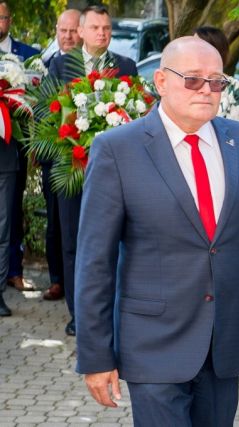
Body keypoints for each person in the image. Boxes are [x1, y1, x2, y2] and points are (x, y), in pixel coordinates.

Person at [74, 36, 239, 427]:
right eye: (192, 79)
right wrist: (96, 356)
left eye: (217, 81)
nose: (207, 90)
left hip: (224, 344)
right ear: (160, 81)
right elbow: (94, 264)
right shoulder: (117, 149)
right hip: (152, 344)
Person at [48, 5, 138, 335]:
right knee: (73, 242)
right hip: (71, 167)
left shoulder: (125, 66)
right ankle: (79, 314)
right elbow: (50, 112)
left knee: (113, 241)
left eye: (107, 28)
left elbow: (136, 113)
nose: (103, 32)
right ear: (82, 31)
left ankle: (112, 310)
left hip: (114, 172)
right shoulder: (60, 65)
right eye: (96, 27)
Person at [40, 9, 82, 302]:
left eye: (72, 31)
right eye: (63, 31)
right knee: (57, 223)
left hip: (85, 157)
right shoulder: (50, 63)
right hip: (57, 156)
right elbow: (43, 109)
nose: (67, 37)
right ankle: (58, 280)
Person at [1, 0, 40, 295]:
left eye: (1, 18)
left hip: (14, 148)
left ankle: (13, 270)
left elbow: (38, 102)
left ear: (10, 20)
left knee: (12, 210)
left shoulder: (28, 56)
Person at [194, 26, 239, 121]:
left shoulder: (232, 85)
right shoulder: (181, 78)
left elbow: (237, 127)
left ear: (215, 49)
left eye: (197, 45)